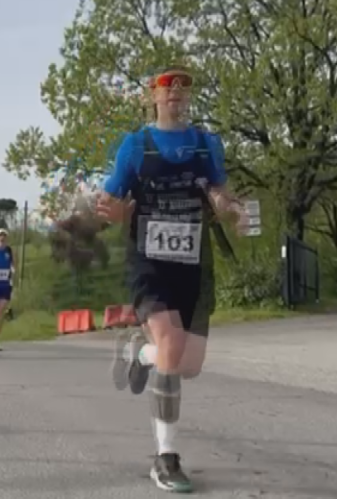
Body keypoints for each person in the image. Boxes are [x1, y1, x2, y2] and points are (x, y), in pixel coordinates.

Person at [97, 65, 245, 492]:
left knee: (188, 365)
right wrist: (115, 213)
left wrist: (230, 208)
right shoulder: (136, 146)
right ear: (154, 97)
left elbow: (218, 190)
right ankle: (165, 458)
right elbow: (109, 201)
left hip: (192, 263)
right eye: (167, 87)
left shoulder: (205, 144)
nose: (175, 93)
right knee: (171, 345)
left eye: (183, 88)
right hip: (149, 262)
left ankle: (140, 354)